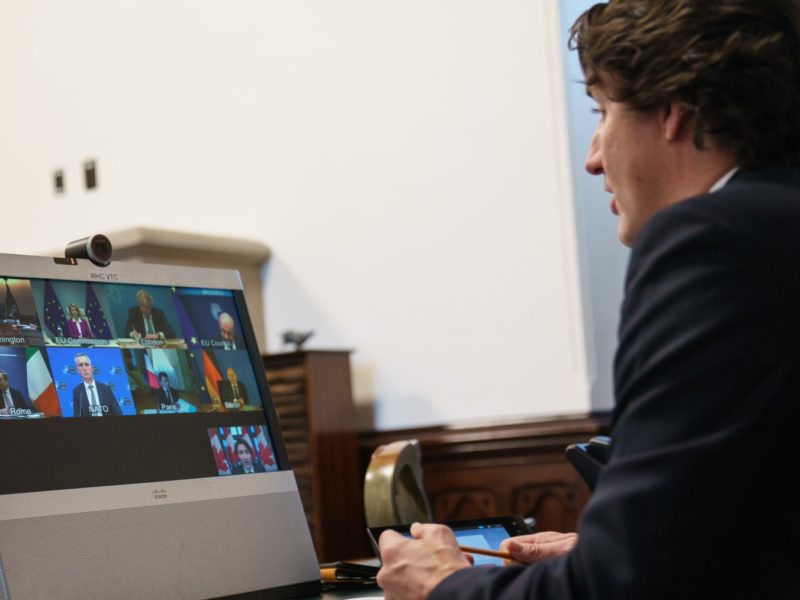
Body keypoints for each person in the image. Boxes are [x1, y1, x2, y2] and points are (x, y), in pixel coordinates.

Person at [377, 1, 800, 598]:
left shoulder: (711, 241)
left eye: (603, 113)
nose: (593, 156)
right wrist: (615, 541)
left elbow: (622, 586)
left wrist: (442, 585)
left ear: (673, 113)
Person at [71, 352, 123, 417]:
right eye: (81, 365)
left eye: (87, 364)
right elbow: (77, 415)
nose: (84, 368)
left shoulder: (105, 388)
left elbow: (118, 412)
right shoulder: (77, 391)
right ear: (78, 370)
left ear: (92, 368)